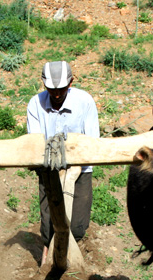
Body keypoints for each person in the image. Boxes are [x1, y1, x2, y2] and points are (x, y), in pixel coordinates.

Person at [26, 61, 100, 265]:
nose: (56, 94)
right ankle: (48, 251)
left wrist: (75, 163)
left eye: (61, 89)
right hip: (49, 170)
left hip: (81, 169)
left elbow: (92, 140)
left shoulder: (84, 102)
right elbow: (35, 141)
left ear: (71, 83)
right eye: (51, 89)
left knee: (77, 225)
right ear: (43, 84)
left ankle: (70, 251)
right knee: (49, 222)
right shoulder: (35, 104)